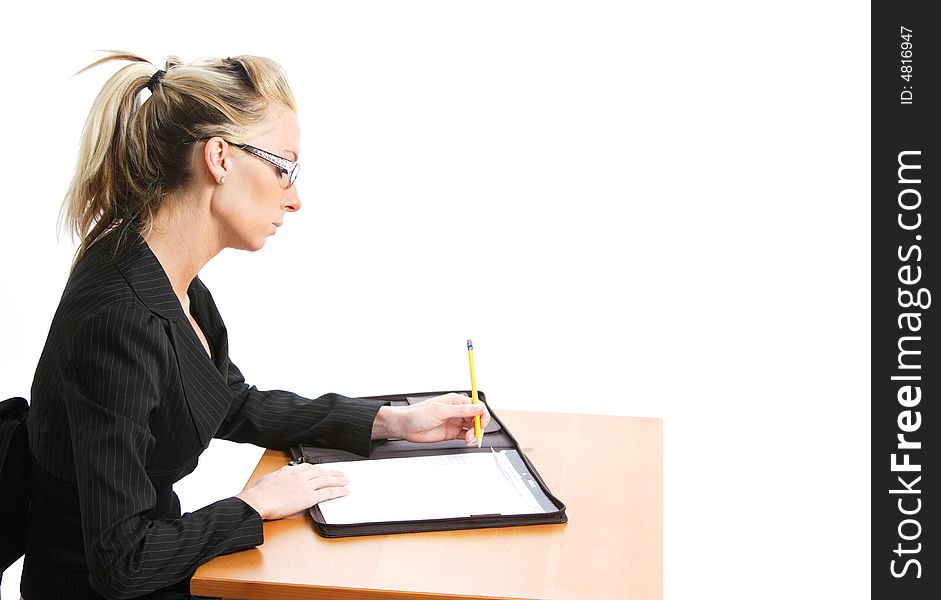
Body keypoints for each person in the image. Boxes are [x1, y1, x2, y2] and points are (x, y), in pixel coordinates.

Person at [22, 52, 490, 600]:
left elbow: (228, 401)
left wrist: (390, 422)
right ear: (219, 157)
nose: (294, 199)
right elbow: (122, 561)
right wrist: (252, 505)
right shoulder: (120, 316)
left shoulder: (169, 279)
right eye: (283, 167)